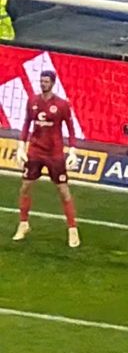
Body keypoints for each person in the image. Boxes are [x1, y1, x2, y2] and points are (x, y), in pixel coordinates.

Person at [13, 70, 80, 248]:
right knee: (25, 187)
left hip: (55, 154)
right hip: (35, 151)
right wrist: (21, 147)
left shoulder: (62, 104)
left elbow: (71, 129)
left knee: (63, 191)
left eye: (46, 81)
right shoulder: (33, 101)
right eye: (41, 81)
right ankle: (23, 224)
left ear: (53, 83)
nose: (43, 84)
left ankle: (72, 229)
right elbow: (27, 123)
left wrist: (72, 151)